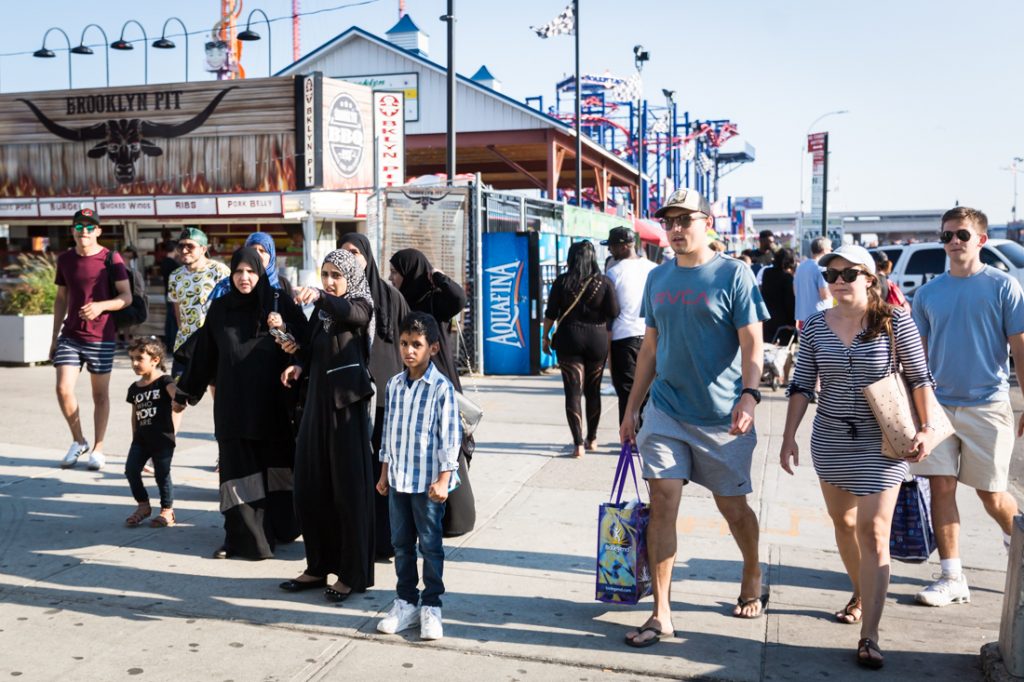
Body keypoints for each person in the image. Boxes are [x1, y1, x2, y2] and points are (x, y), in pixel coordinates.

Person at [620, 188, 769, 649]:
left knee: (733, 508)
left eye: (685, 220)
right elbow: (649, 347)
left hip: (722, 418)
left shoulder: (734, 274)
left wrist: (749, 396)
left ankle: (751, 569)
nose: (677, 229)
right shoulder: (658, 279)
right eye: (669, 221)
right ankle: (661, 612)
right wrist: (632, 409)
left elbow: (752, 344)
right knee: (663, 501)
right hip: (665, 410)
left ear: (707, 221)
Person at [780, 244, 940, 670]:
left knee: (872, 533)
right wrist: (788, 437)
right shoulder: (814, 326)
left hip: (883, 444)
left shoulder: (894, 322)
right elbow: (801, 384)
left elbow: (921, 379)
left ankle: (870, 633)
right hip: (831, 441)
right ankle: (859, 589)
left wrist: (925, 429)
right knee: (844, 523)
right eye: (830, 273)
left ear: (869, 278)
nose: (836, 281)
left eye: (847, 274)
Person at [910, 206, 1024, 607]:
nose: (953, 242)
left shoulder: (1003, 286)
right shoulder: (926, 294)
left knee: (991, 495)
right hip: (938, 408)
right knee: (940, 487)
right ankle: (951, 576)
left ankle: (1018, 540)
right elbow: (917, 358)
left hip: (988, 405)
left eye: (961, 234)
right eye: (946, 236)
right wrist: (915, 411)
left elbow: (1020, 349)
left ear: (981, 240)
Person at [174, 247, 306, 560]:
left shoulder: (279, 303)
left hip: (273, 407)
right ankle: (243, 539)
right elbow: (205, 352)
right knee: (237, 473)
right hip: (233, 407)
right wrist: (184, 392)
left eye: (251, 271)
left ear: (261, 273)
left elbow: (305, 343)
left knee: (275, 472)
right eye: (238, 272)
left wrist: (292, 346)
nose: (244, 278)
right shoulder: (221, 309)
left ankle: (281, 529)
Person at [278, 249, 377, 601]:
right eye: (325, 275)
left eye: (337, 275)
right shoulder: (322, 308)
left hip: (346, 408)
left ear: (349, 276)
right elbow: (308, 345)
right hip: (316, 406)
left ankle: (352, 574)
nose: (330, 281)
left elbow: (354, 317)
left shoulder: (360, 302)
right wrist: (297, 361)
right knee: (309, 487)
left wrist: (322, 296)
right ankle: (318, 566)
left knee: (348, 492)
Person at [375, 312, 461, 641]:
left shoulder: (442, 388)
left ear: (434, 348)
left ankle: (432, 607)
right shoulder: (394, 386)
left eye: (417, 344)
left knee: (431, 545)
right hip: (397, 480)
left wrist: (443, 479)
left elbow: (449, 438)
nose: (409, 350)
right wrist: (384, 473)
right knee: (401, 544)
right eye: (404, 343)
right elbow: (387, 435)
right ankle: (406, 603)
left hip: (427, 484)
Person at [388, 249, 475, 537]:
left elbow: (459, 298)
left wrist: (436, 274)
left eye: (397, 272)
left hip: (437, 380)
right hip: (410, 381)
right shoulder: (398, 300)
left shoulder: (432, 299)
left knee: (446, 445)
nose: (392, 277)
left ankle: (456, 519)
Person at [339, 232, 410, 559]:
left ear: (367, 255)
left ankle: (385, 540)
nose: (350, 257)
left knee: (385, 472)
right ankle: (359, 539)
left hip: (387, 398)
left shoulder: (390, 295)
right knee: (356, 473)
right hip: (352, 397)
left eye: (355, 251)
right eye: (344, 252)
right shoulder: (339, 295)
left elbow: (408, 342)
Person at [51, 209, 132, 471]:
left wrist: (100, 306)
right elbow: (61, 298)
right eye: (79, 226)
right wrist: (54, 337)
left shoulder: (111, 258)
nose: (84, 231)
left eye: (89, 226)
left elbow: (126, 296)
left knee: (100, 395)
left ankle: (98, 448)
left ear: (98, 231)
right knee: (63, 389)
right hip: (70, 335)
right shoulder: (64, 260)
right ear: (73, 230)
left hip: (101, 336)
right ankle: (78, 440)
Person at [542, 241, 620, 456]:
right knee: (593, 390)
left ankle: (577, 444)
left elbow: (550, 313)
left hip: (569, 337)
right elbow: (614, 311)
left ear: (571, 258)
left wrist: (545, 337)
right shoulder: (604, 282)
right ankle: (592, 439)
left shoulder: (562, 282)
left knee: (573, 392)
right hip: (597, 338)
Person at [604, 227, 658, 425]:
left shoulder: (613, 273)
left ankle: (629, 437)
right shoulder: (654, 268)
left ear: (624, 245)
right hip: (651, 336)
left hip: (623, 339)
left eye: (612, 246)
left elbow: (611, 312)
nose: (610, 251)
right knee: (650, 390)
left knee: (626, 392)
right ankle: (646, 434)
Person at [123, 337, 178, 529]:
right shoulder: (134, 388)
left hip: (162, 438)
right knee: (131, 470)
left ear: (155, 360)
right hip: (141, 440)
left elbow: (176, 394)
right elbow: (134, 415)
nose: (135, 363)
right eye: (132, 359)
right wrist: (134, 436)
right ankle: (143, 506)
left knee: (162, 474)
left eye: (139, 358)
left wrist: (180, 396)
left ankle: (167, 510)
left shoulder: (164, 381)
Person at [166, 227, 230, 381]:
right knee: (177, 395)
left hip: (213, 344)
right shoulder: (175, 275)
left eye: (190, 246)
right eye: (181, 246)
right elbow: (177, 310)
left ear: (203, 249)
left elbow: (231, 306)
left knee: (218, 396)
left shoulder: (220, 271)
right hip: (184, 344)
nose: (184, 250)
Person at [210, 232, 293, 301]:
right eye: (252, 250)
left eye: (262, 251)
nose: (257, 254)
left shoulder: (282, 284)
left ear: (271, 256)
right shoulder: (226, 286)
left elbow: (293, 316)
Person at [794, 237, 832, 330]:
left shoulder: (800, 267)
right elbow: (825, 295)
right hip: (820, 318)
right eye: (830, 249)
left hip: (802, 317)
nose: (831, 251)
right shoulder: (822, 268)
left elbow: (795, 291)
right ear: (824, 250)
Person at [760, 247, 796, 343]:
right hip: (783, 321)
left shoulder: (766, 273)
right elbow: (790, 302)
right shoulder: (787, 277)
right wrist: (792, 322)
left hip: (767, 317)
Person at [158, 241, 181, 349]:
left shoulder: (164, 262)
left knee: (170, 319)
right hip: (174, 294)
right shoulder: (172, 264)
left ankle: (169, 342)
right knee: (173, 319)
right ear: (175, 249)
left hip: (168, 293)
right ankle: (172, 343)